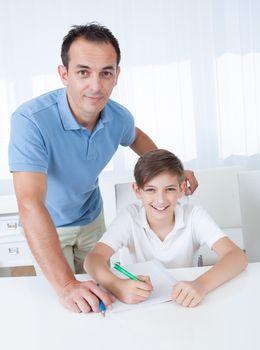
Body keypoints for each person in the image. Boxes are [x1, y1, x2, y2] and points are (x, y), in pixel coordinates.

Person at [8, 23, 197, 314]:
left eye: (106, 72)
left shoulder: (118, 117)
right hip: (49, 224)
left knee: (103, 297)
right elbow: (30, 204)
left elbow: (136, 137)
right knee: (67, 304)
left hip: (91, 218)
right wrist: (66, 285)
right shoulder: (30, 121)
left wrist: (174, 171)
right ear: (64, 74)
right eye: (83, 71)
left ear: (116, 75)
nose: (96, 85)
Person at [84, 149, 247, 307]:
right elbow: (93, 260)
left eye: (169, 189)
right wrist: (117, 285)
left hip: (184, 303)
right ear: (137, 190)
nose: (160, 200)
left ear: (181, 189)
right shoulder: (129, 217)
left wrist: (201, 285)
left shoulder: (194, 216)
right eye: (150, 190)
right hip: (142, 304)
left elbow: (237, 256)